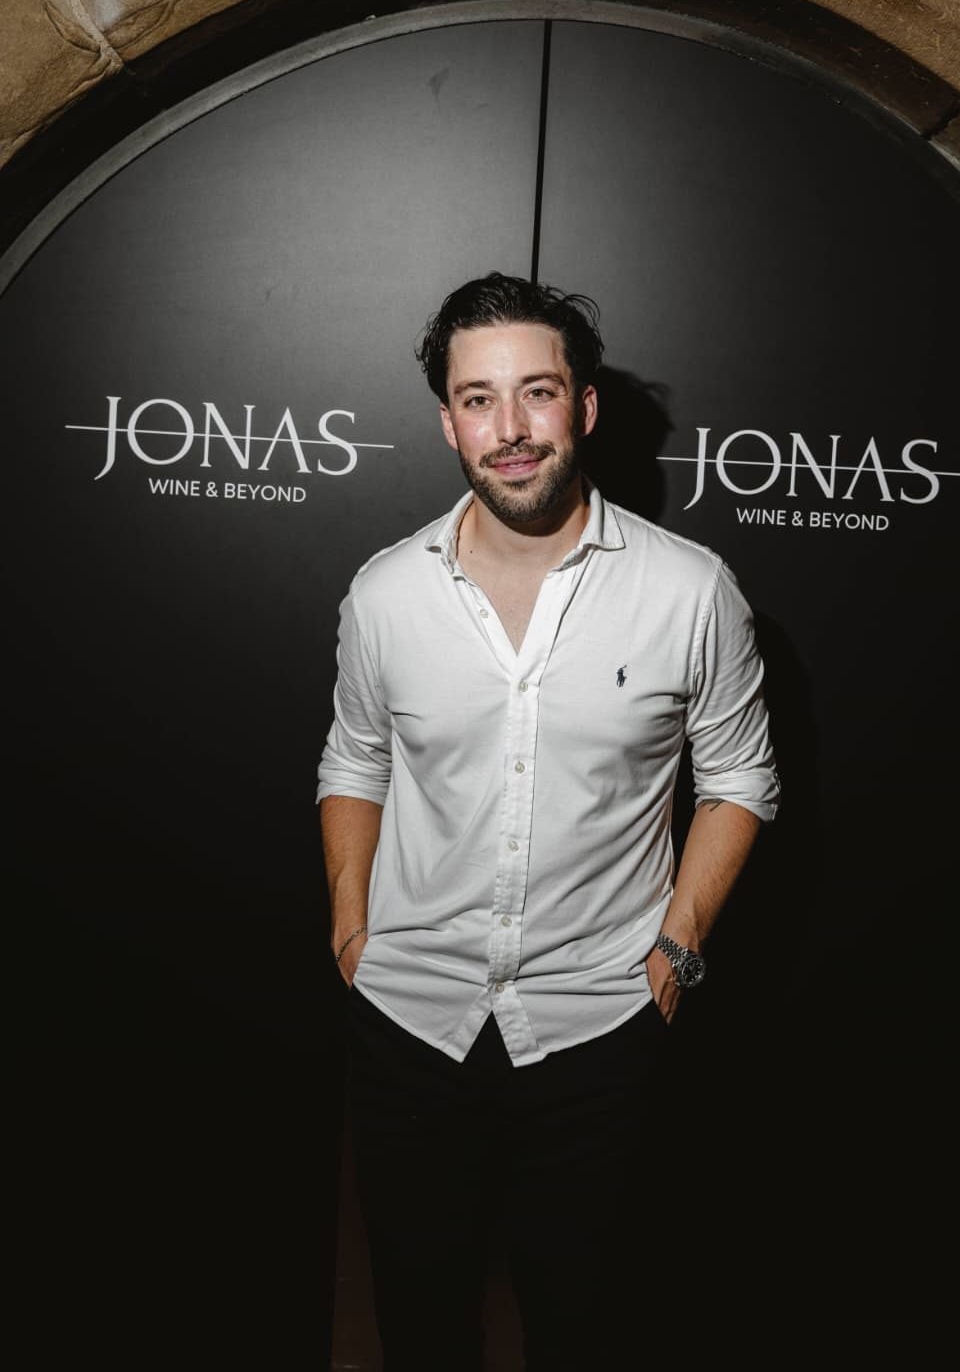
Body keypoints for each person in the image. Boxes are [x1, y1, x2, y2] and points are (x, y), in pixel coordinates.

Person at [317, 273, 779, 1371]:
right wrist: (350, 924)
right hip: (410, 1025)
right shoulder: (384, 593)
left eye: (537, 391)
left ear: (584, 406)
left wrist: (676, 948)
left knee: (584, 1329)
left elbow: (738, 778)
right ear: (448, 421)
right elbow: (355, 757)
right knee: (419, 1326)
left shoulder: (690, 591)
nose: (511, 428)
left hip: (599, 1031)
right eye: (478, 399)